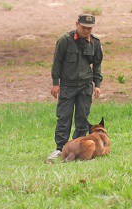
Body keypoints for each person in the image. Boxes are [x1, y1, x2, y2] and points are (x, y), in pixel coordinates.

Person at [46, 13, 104, 161]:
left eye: (89, 29)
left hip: (85, 86)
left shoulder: (95, 43)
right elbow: (57, 63)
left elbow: (97, 65)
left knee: (82, 118)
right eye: (84, 27)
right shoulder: (65, 41)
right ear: (77, 24)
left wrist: (97, 85)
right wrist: (55, 83)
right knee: (64, 117)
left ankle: (78, 146)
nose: (86, 31)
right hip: (67, 85)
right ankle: (60, 148)